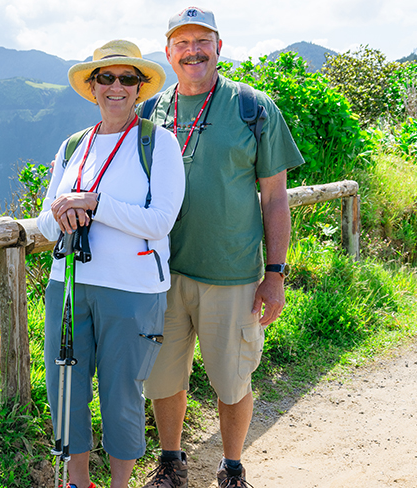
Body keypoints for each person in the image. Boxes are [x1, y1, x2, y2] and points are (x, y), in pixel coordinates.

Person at [139, 7, 305, 488]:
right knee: (164, 379)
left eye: (202, 40)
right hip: (162, 273)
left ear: (219, 46)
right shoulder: (153, 112)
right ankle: (172, 463)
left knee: (232, 381)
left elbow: (275, 198)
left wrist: (274, 274)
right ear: (168, 52)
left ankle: (232, 469)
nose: (193, 50)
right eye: (183, 42)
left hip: (232, 273)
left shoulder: (253, 108)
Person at [36, 40, 184, 488]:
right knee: (66, 388)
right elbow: (44, 225)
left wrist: (95, 203)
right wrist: (63, 209)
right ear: (93, 86)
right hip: (68, 283)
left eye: (126, 79)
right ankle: (78, 481)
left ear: (140, 88)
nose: (115, 87)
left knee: (122, 391)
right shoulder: (73, 145)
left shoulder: (159, 143)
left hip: (133, 288)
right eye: (106, 77)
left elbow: (160, 221)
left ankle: (121, 483)